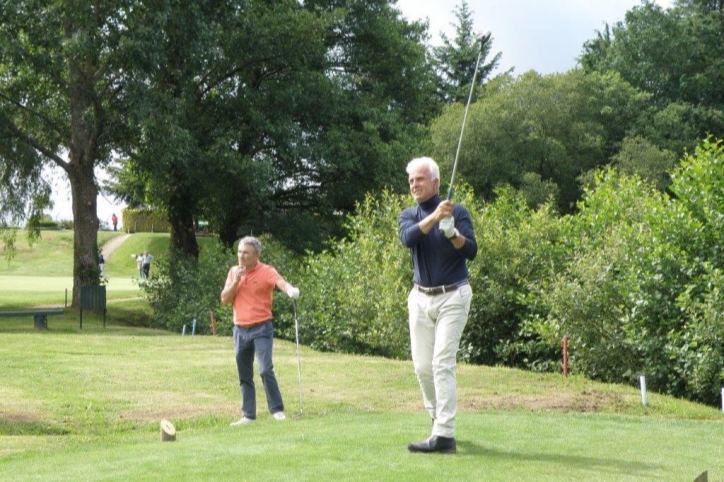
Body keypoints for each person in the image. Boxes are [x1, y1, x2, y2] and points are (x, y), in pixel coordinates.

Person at [398, 157, 478, 454]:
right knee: (422, 367)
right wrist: (434, 220)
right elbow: (408, 238)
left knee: (441, 363)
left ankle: (445, 435)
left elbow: (471, 251)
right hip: (420, 298)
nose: (414, 185)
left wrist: (452, 233)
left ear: (435, 183)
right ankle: (436, 419)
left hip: (453, 295)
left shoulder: (457, 212)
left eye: (419, 180)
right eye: (410, 181)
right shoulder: (408, 215)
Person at [220, 236, 300, 426]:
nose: (241, 256)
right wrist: (237, 280)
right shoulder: (234, 272)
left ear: (256, 254)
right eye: (239, 252)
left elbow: (280, 282)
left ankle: (277, 410)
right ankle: (248, 415)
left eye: (245, 252)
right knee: (244, 374)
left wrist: (290, 291)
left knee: (265, 369)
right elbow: (224, 299)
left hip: (261, 327)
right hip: (240, 329)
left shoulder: (266, 271)